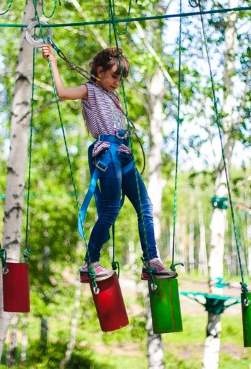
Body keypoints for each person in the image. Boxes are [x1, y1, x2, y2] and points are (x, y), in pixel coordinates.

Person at [42, 44, 176, 282]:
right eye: (114, 76)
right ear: (101, 71)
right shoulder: (89, 91)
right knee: (111, 209)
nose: (117, 82)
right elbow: (62, 92)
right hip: (108, 153)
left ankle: (151, 261)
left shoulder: (113, 98)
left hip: (124, 154)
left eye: (121, 78)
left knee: (145, 206)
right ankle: (90, 262)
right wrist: (52, 60)